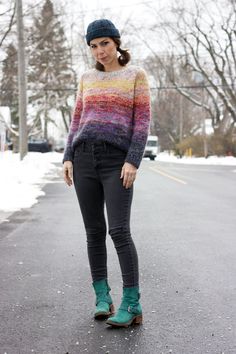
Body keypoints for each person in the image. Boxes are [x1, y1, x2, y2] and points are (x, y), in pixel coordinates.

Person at [63, 19, 151, 328]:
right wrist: (68, 156)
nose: (99, 50)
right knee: (93, 232)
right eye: (93, 45)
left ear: (116, 42)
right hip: (84, 157)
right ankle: (102, 297)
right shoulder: (86, 77)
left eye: (104, 43)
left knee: (119, 231)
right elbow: (77, 119)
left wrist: (133, 160)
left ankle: (132, 302)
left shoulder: (135, 75)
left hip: (117, 161)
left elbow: (142, 123)